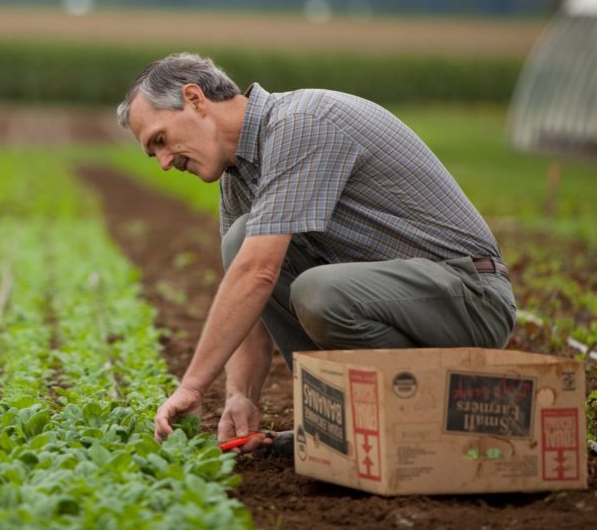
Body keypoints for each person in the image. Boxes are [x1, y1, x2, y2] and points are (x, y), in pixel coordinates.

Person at [116, 52, 516, 455]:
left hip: (469, 296)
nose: (165, 162)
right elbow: (249, 294)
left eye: (161, 140)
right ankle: (345, 420)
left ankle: (417, 413)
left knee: (316, 292)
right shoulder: (239, 177)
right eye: (154, 154)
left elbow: (258, 273)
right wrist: (241, 395)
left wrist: (191, 386)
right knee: (242, 240)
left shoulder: (302, 124)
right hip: (399, 304)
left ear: (195, 99)